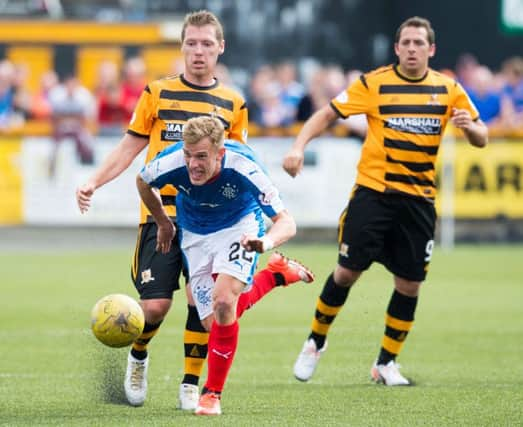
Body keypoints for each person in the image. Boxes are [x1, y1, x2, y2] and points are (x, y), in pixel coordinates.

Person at [75, 9, 312, 409]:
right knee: (155, 305)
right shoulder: (157, 92)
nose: (198, 51)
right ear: (182, 46)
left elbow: (237, 160)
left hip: (215, 219)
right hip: (162, 214)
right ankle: (139, 355)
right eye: (191, 43)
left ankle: (191, 384)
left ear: (220, 48)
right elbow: (131, 147)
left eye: (206, 44)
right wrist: (94, 181)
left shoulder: (233, 101)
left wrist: (258, 225)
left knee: (210, 308)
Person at [283, 16, 488, 386]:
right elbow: (328, 113)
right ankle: (315, 341)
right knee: (346, 272)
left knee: (409, 284)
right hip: (374, 193)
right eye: (406, 42)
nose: (412, 49)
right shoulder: (375, 83)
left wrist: (471, 127)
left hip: (419, 201)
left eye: (418, 43)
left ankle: (386, 363)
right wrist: (298, 146)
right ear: (397, 48)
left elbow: (481, 136)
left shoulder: (448, 89)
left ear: (431, 49)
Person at [137, 115, 307, 415]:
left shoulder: (245, 167)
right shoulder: (171, 161)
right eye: (188, 155)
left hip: (239, 227)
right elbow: (142, 181)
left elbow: (287, 222)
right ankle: (275, 276)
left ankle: (211, 395)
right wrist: (163, 222)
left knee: (224, 301)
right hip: (194, 232)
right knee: (213, 325)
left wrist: (265, 243)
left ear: (220, 153)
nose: (192, 165)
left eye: (201, 156)